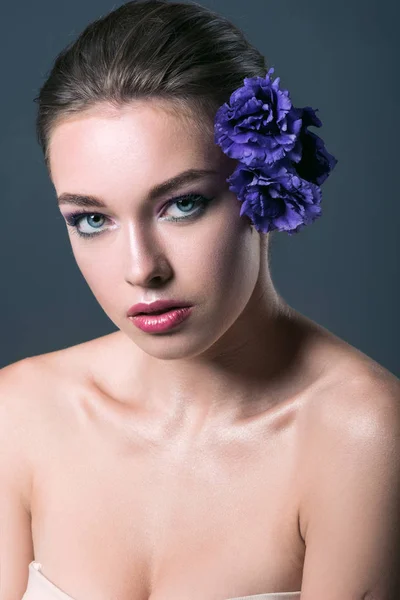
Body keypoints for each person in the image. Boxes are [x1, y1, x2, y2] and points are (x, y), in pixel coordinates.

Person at [1, 1, 399, 599]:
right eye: (90, 219)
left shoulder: (360, 436)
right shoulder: (19, 412)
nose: (141, 269)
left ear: (267, 181)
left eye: (183, 203)